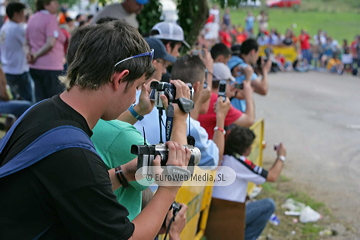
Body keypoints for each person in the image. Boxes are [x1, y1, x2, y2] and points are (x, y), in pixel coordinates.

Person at [0, 20, 192, 239]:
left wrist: (124, 173)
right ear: (119, 79)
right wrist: (169, 188)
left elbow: (71, 187)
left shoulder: (41, 111)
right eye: (138, 88)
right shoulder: (75, 156)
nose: (135, 98)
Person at [212, 126, 287, 240]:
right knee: (268, 205)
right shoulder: (239, 162)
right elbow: (272, 176)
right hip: (226, 219)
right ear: (247, 149)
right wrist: (281, 156)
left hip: (212, 215)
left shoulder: (222, 157)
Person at [171, 54, 231, 167]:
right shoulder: (193, 128)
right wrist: (221, 116)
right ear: (198, 86)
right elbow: (215, 160)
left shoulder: (147, 107)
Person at [198, 62, 254, 139]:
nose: (230, 85)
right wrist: (249, 95)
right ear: (222, 84)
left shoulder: (199, 95)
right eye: (228, 82)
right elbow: (249, 121)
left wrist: (228, 96)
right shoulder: (218, 103)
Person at [26, 0, 66, 102]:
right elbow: (50, 43)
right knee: (55, 101)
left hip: (35, 66)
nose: (57, 5)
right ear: (46, 4)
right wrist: (35, 55)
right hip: (50, 66)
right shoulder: (50, 19)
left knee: (40, 100)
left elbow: (26, 41)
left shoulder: (32, 18)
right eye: (55, 2)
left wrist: (29, 54)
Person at [0, 2, 32, 102]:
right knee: (26, 101)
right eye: (22, 12)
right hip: (18, 70)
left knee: (16, 98)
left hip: (8, 68)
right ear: (16, 14)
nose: (24, 15)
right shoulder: (18, 28)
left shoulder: (5, 27)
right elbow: (29, 43)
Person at [227, 39, 271, 112]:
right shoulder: (244, 67)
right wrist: (265, 71)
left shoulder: (232, 61)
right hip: (236, 114)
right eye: (257, 54)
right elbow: (263, 90)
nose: (257, 58)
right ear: (252, 52)